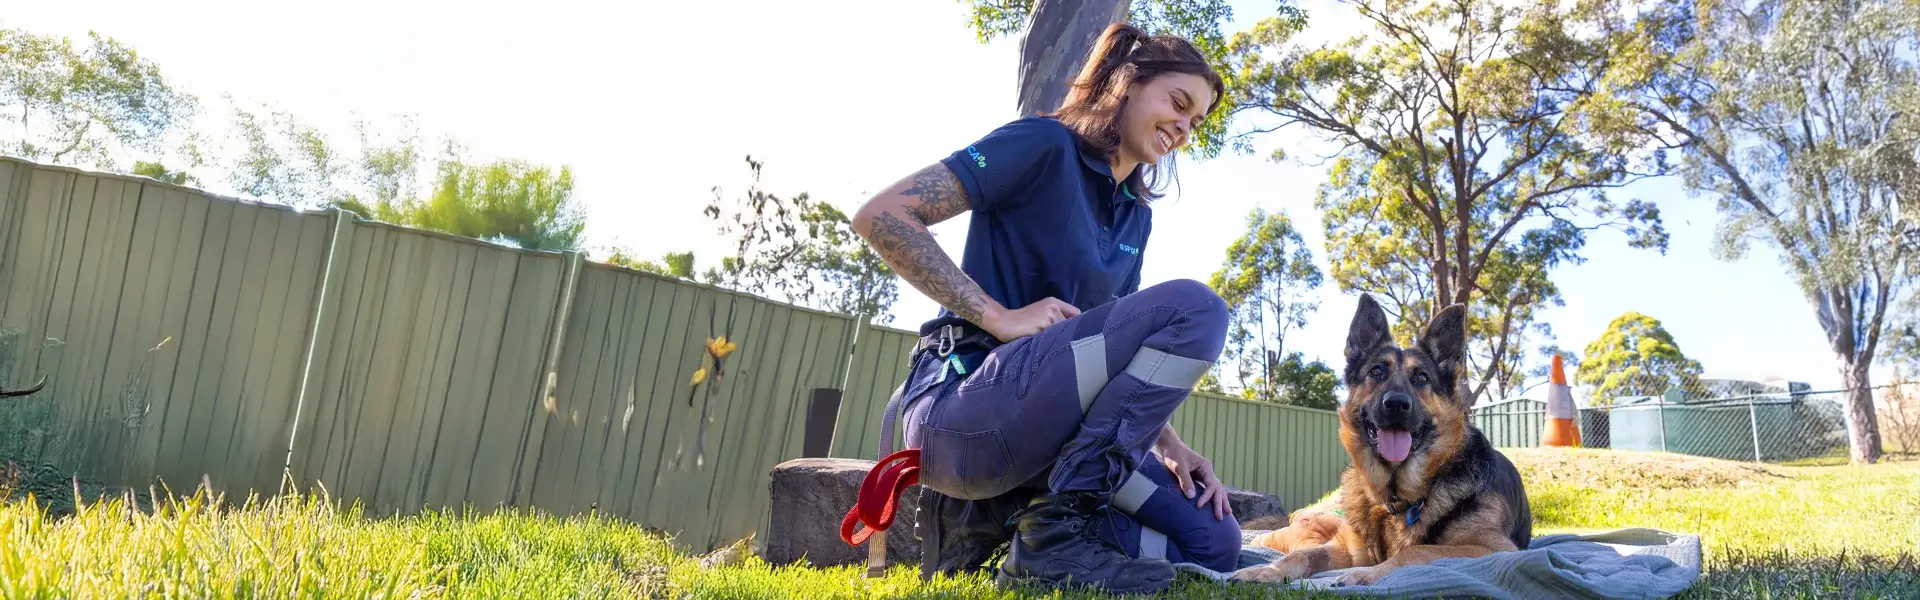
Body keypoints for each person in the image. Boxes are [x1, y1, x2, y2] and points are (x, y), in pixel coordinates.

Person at [846, 22, 1239, 594]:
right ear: (1127, 82)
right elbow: (881, 216)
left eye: (1196, 121)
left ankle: (1018, 532)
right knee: (1199, 309)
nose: (1184, 127)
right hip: (964, 410)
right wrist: (997, 317)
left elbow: (1123, 359)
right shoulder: (1042, 144)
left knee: (1214, 544)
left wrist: (1173, 447)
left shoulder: (1136, 217)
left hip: (1053, 438)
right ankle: (1044, 540)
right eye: (1178, 104)